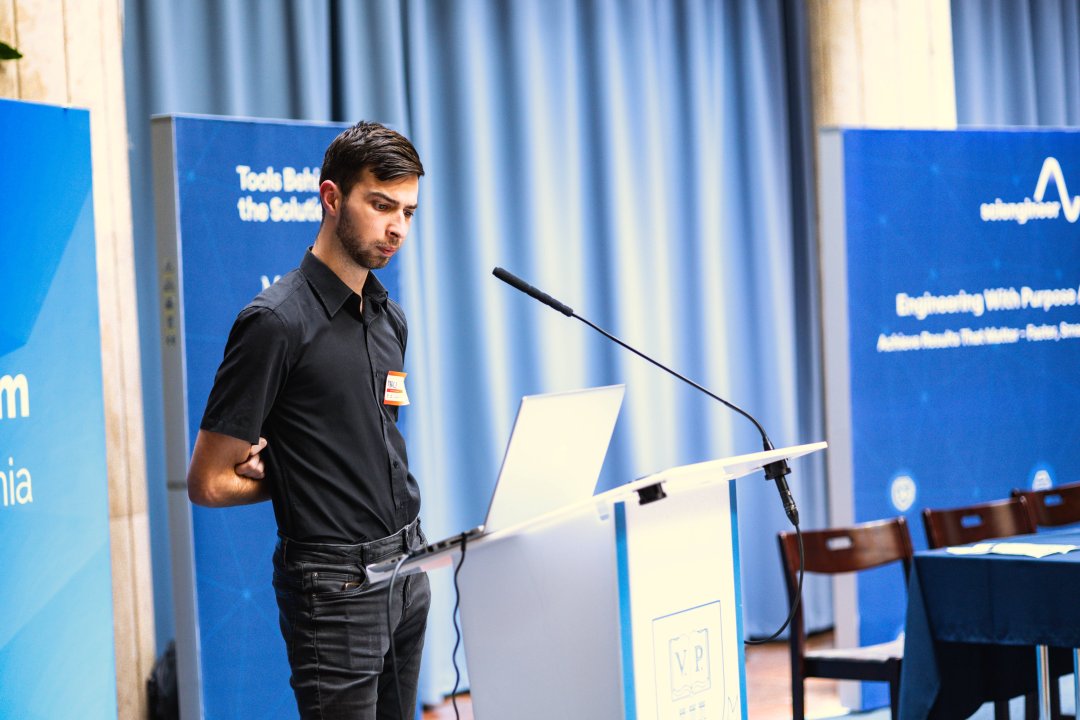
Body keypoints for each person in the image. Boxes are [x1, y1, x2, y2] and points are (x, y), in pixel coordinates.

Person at [187, 120, 429, 720]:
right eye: (381, 205)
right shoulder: (274, 322)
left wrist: (309, 464)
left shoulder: (389, 318)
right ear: (331, 198)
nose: (397, 228)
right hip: (335, 589)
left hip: (410, 567)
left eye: (408, 211)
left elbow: (370, 444)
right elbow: (208, 481)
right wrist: (295, 476)